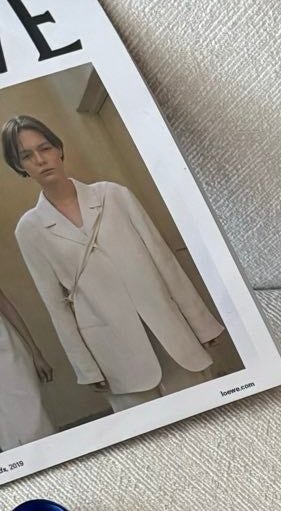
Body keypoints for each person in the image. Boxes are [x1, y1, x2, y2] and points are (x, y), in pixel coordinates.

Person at [4, 115, 226, 413]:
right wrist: (86, 367)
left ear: (59, 149)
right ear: (19, 166)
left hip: (167, 327)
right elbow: (55, 305)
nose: (40, 160)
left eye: (44, 148)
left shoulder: (113, 194)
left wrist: (202, 325)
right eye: (27, 156)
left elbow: (163, 260)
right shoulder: (30, 229)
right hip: (111, 349)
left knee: (207, 410)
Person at [0, 284, 55, 450]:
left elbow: (5, 305)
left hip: (8, 351)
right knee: (8, 433)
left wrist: (35, 352)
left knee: (34, 418)